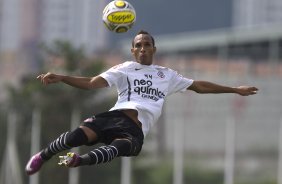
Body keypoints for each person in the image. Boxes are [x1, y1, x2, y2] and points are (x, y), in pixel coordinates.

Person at [25, 30, 258, 175]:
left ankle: (79, 161)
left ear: (154, 49)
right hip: (114, 116)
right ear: (132, 50)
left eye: (147, 44)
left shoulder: (166, 75)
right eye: (138, 45)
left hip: (135, 129)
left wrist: (234, 90)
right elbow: (92, 82)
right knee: (76, 136)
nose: (143, 48)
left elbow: (199, 86)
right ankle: (42, 156)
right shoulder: (125, 68)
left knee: (119, 148)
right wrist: (63, 77)